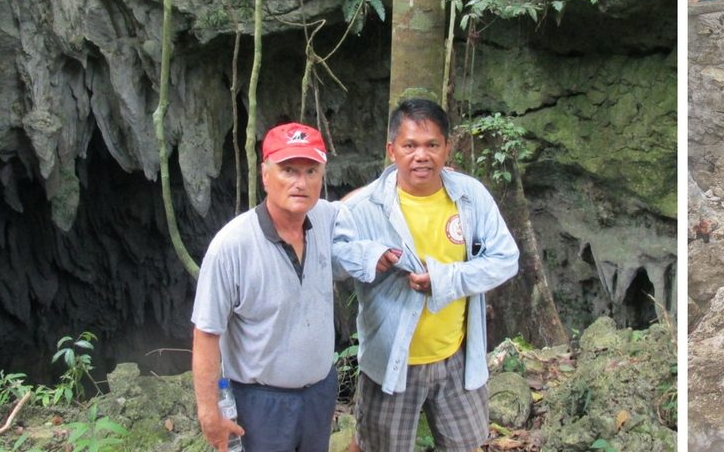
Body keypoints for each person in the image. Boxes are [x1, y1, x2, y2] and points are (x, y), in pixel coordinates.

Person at [332, 98, 520, 451]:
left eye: (432, 145)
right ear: (392, 150)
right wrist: (368, 256)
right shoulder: (362, 208)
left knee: (467, 444)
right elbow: (328, 262)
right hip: (390, 365)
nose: (422, 155)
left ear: (447, 148)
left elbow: (506, 258)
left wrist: (444, 280)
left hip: (457, 358)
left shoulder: (470, 196)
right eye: (410, 145)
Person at [191, 122, 339, 452]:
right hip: (259, 402)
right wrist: (209, 411)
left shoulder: (325, 221)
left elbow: (359, 204)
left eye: (311, 171)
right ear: (265, 175)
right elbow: (206, 333)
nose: (301, 183)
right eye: (288, 170)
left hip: (318, 394)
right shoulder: (232, 245)